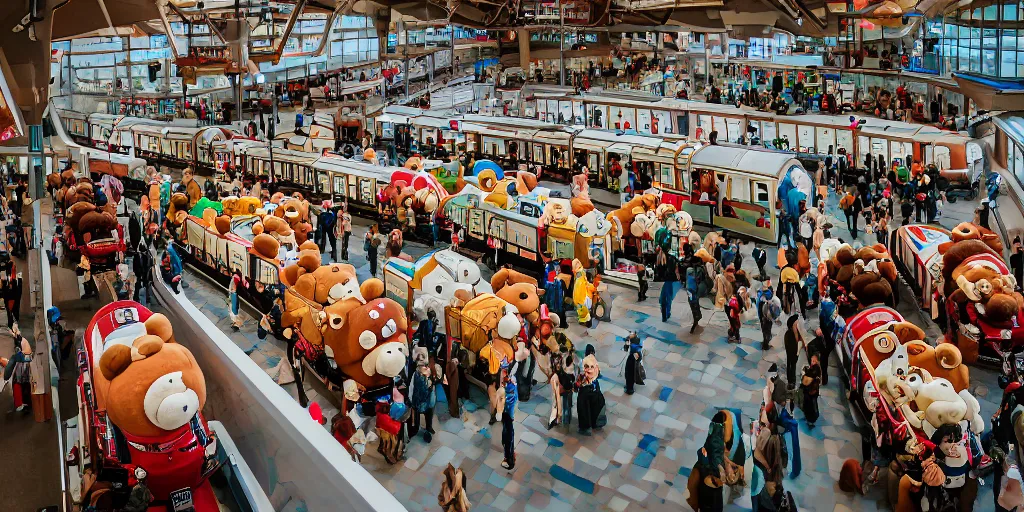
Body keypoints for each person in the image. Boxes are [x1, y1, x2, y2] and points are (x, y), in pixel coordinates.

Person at [409, 346, 438, 443]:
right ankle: (415, 429)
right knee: (416, 415)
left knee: (429, 414)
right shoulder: (416, 374)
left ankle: (428, 427)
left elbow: (436, 381)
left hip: (429, 399)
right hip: (418, 400)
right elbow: (412, 387)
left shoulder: (430, 370)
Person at [575, 354, 606, 436]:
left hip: (586, 392)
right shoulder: (596, 382)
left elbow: (582, 409)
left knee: (584, 410)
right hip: (594, 392)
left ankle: (585, 428)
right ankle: (594, 424)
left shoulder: (584, 382)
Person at [1, 333, 31, 412]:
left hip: (20, 372)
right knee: (27, 386)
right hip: (29, 370)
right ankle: (28, 402)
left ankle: (19, 404)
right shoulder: (24, 341)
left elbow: (8, 370)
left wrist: (6, 376)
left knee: (16, 383)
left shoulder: (15, 356)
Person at [500, 371, 518, 470]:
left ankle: (509, 460)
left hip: (507, 415)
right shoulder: (514, 387)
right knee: (509, 435)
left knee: (508, 437)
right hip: (509, 415)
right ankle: (510, 456)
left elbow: (505, 402)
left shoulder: (508, 389)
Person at [801, 351, 822, 429]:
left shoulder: (815, 369)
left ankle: (811, 420)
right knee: (812, 405)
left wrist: (805, 374)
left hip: (811, 392)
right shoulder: (816, 368)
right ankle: (811, 418)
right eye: (811, 360)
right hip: (813, 391)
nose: (812, 362)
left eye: (814, 361)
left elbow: (806, 381)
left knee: (810, 406)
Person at [783, 315, 803, 388]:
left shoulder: (788, 333)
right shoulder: (793, 333)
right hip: (792, 346)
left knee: (789, 362)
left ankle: (790, 381)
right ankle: (792, 381)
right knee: (793, 363)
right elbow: (797, 340)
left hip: (789, 345)